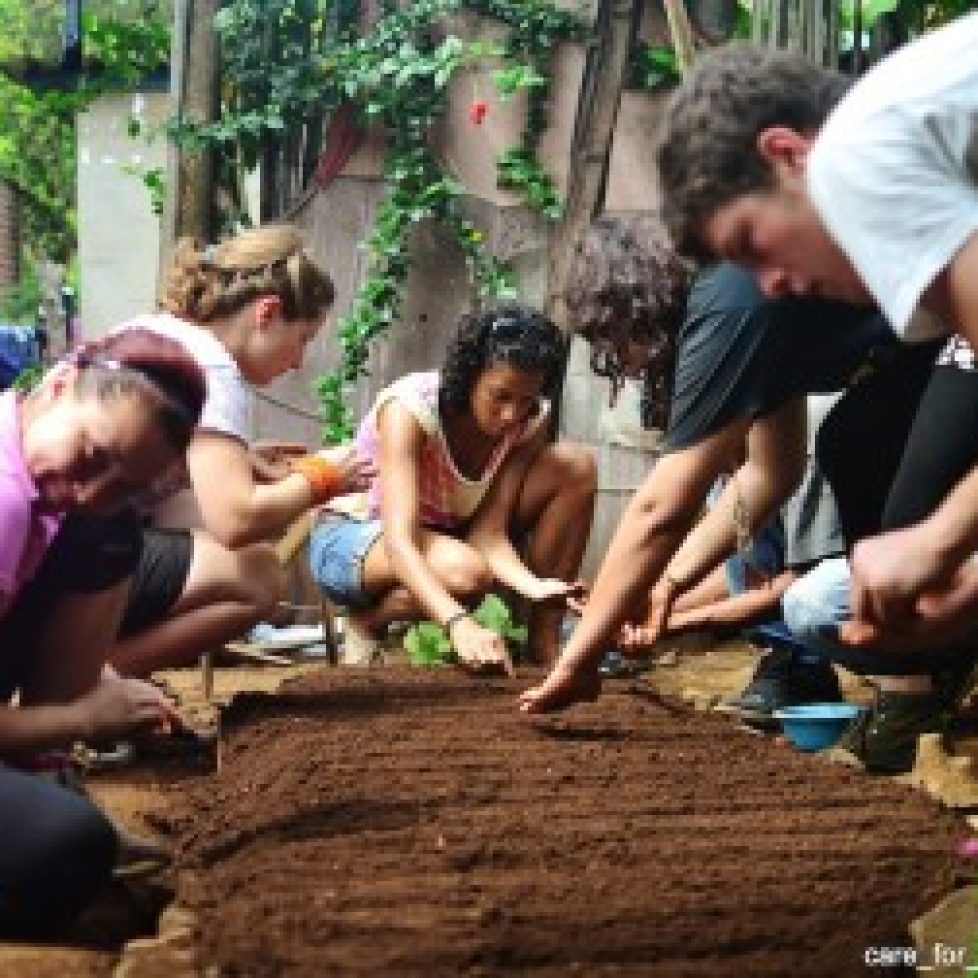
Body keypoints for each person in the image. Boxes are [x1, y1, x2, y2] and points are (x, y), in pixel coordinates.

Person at [517, 218, 971, 768]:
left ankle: (915, 694)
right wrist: (668, 582)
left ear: (632, 312)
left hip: (962, 313)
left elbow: (662, 506)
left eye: (613, 341)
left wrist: (581, 653)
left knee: (910, 520)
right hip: (925, 339)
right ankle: (928, 676)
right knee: (851, 448)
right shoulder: (748, 319)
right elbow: (768, 475)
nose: (622, 363)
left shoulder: (731, 306)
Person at [655, 17, 978, 641]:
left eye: (750, 242)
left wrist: (938, 542)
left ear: (787, 155)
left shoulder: (854, 156)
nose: (768, 284)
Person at [0, 330, 206, 934]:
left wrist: (102, 678)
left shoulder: (36, 475)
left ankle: (42, 775)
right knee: (66, 846)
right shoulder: (7, 502)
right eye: (92, 455)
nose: (91, 491)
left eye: (125, 483)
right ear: (61, 383)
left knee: (104, 531)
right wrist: (85, 718)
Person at [106, 226, 371, 678]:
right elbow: (235, 521)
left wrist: (238, 461)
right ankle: (88, 683)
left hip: (43, 538)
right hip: (64, 552)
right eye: (303, 339)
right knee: (258, 573)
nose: (298, 362)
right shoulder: (212, 366)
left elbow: (129, 468)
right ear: (266, 312)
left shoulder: (154, 330)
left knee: (209, 526)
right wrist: (322, 478)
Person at [309, 305, 597, 669]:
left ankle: (544, 650)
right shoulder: (411, 408)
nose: (511, 414)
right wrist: (458, 624)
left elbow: (488, 532)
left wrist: (535, 586)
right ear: (470, 376)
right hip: (353, 539)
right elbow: (401, 541)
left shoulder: (526, 422)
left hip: (446, 540)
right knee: (466, 573)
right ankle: (369, 621)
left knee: (575, 465)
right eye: (500, 395)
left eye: (525, 400)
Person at [619, 400, 847, 727]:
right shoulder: (729, 463)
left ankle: (802, 663)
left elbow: (804, 582)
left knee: (813, 603)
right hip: (805, 581)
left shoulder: (808, 446)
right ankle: (783, 655)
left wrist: (675, 622)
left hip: (871, 573)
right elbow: (742, 573)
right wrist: (645, 607)